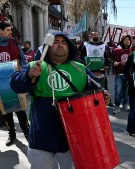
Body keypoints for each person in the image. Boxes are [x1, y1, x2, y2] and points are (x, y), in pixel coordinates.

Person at [9, 31, 111, 169]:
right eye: (55, 42)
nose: (60, 45)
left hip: (74, 137)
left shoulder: (80, 69)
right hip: (42, 135)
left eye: (64, 42)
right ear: (48, 46)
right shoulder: (36, 65)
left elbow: (98, 89)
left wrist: (104, 94)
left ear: (69, 47)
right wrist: (28, 75)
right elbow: (15, 85)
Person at [81, 31, 114, 107]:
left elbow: (106, 57)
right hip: (89, 70)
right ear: (91, 36)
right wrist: (83, 64)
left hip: (100, 70)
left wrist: (106, 65)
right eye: (94, 35)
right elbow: (81, 56)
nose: (96, 36)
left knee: (103, 86)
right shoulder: (86, 45)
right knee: (89, 87)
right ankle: (89, 102)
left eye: (97, 34)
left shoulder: (103, 46)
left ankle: (107, 101)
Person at [113, 35, 131, 114]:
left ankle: (125, 104)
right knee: (118, 91)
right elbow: (112, 59)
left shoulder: (132, 51)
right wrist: (114, 63)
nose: (127, 41)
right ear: (122, 41)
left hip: (128, 75)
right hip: (119, 75)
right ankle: (117, 106)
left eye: (128, 39)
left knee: (126, 92)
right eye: (125, 39)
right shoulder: (116, 50)